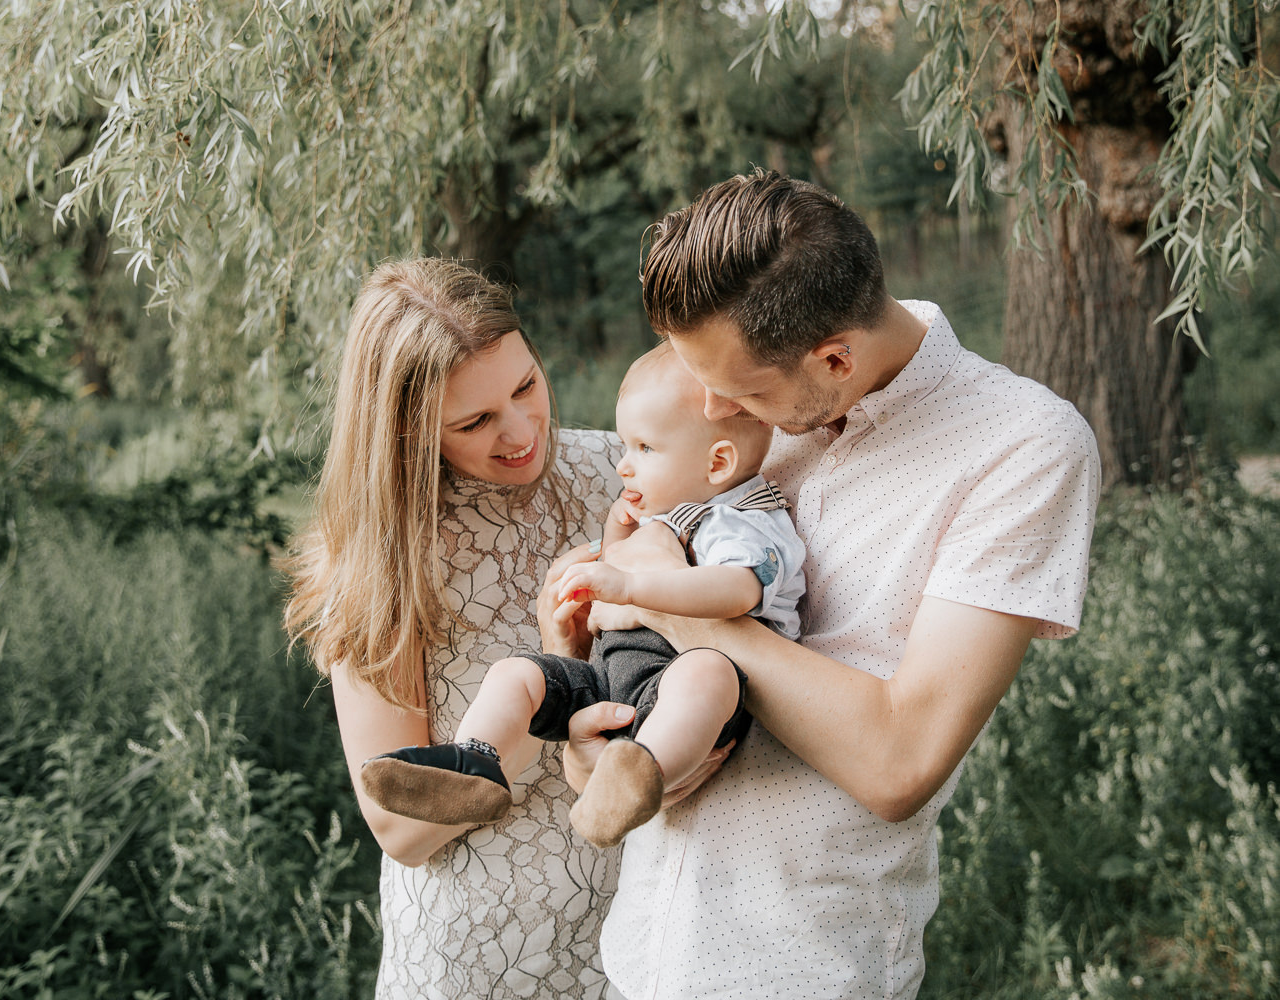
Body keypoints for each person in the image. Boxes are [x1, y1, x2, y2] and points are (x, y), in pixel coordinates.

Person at [547, 172, 1101, 999]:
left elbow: (899, 760)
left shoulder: (1019, 448)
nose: (711, 410)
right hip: (640, 955)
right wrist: (589, 732)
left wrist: (664, 595)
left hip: (801, 969)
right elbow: (633, 643)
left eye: (735, 391)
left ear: (834, 360)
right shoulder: (751, 410)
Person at [285, 258, 634, 999]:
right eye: (474, 421)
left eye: (525, 386)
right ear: (406, 429)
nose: (520, 432)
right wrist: (551, 673)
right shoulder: (387, 557)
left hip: (647, 931)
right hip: (486, 953)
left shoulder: (622, 475)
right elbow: (400, 831)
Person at [358, 342, 807, 849]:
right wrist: (618, 543)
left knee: (707, 676)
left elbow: (736, 590)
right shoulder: (668, 508)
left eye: (645, 449)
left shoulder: (743, 519)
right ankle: (475, 760)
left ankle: (641, 770)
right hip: (609, 680)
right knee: (516, 673)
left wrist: (632, 586)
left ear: (718, 462)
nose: (623, 467)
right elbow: (617, 582)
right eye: (623, 447)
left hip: (683, 688)